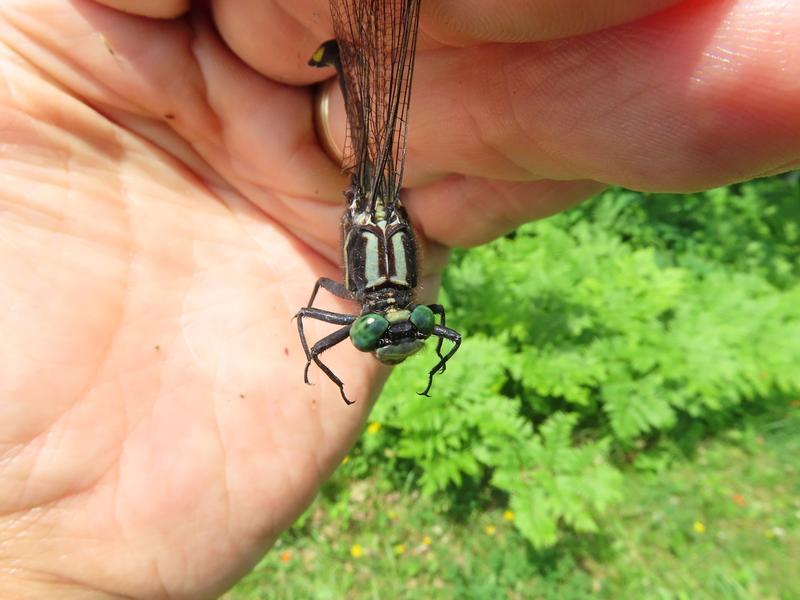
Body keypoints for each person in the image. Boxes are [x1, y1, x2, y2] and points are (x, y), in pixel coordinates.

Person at [0, 0, 797, 597]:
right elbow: (359, 324)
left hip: (368, 163)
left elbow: (363, 322)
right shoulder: (375, 303)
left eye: (394, 325)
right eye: (400, 323)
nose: (400, 324)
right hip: (362, 146)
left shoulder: (370, 303)